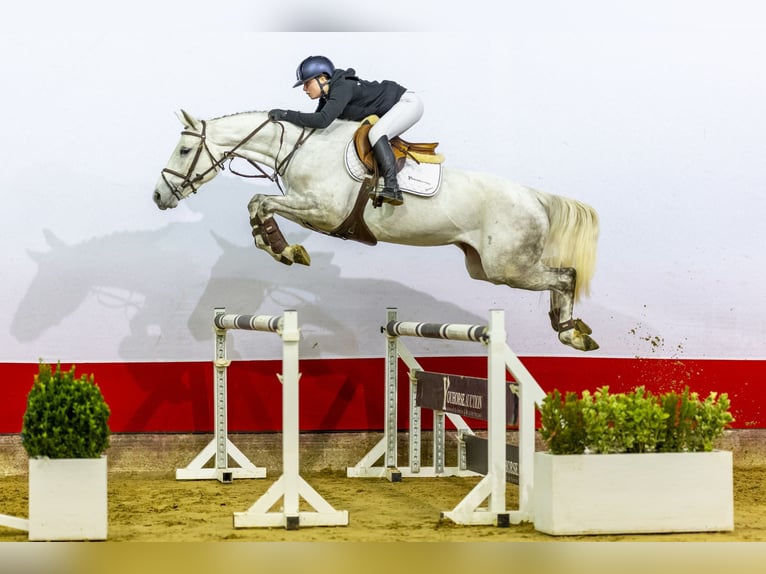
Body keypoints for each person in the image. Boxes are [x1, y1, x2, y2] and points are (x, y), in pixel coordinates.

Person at [268, 55, 424, 206]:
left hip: (408, 103)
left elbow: (322, 120)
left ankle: (392, 187)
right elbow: (316, 124)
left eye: (307, 83)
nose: (304, 89)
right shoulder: (328, 95)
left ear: (322, 78)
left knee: (376, 133)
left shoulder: (342, 87)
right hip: (397, 106)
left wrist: (286, 114)